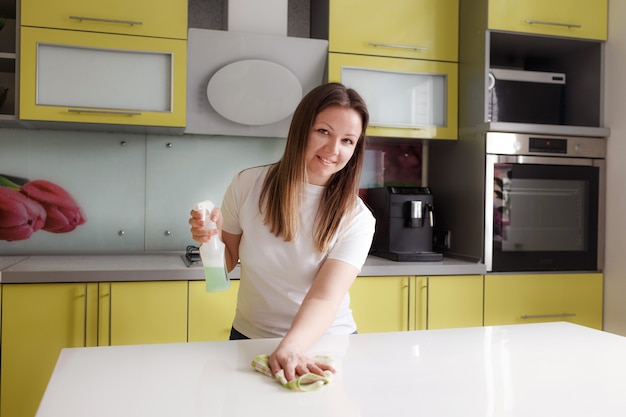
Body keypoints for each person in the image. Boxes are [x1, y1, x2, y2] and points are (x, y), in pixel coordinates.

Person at [189, 82, 375, 383]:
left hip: (325, 345)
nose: (333, 149)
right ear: (301, 128)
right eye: (323, 132)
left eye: (348, 141)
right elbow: (223, 269)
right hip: (250, 338)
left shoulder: (357, 217)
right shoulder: (248, 185)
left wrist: (292, 347)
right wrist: (211, 240)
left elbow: (325, 297)